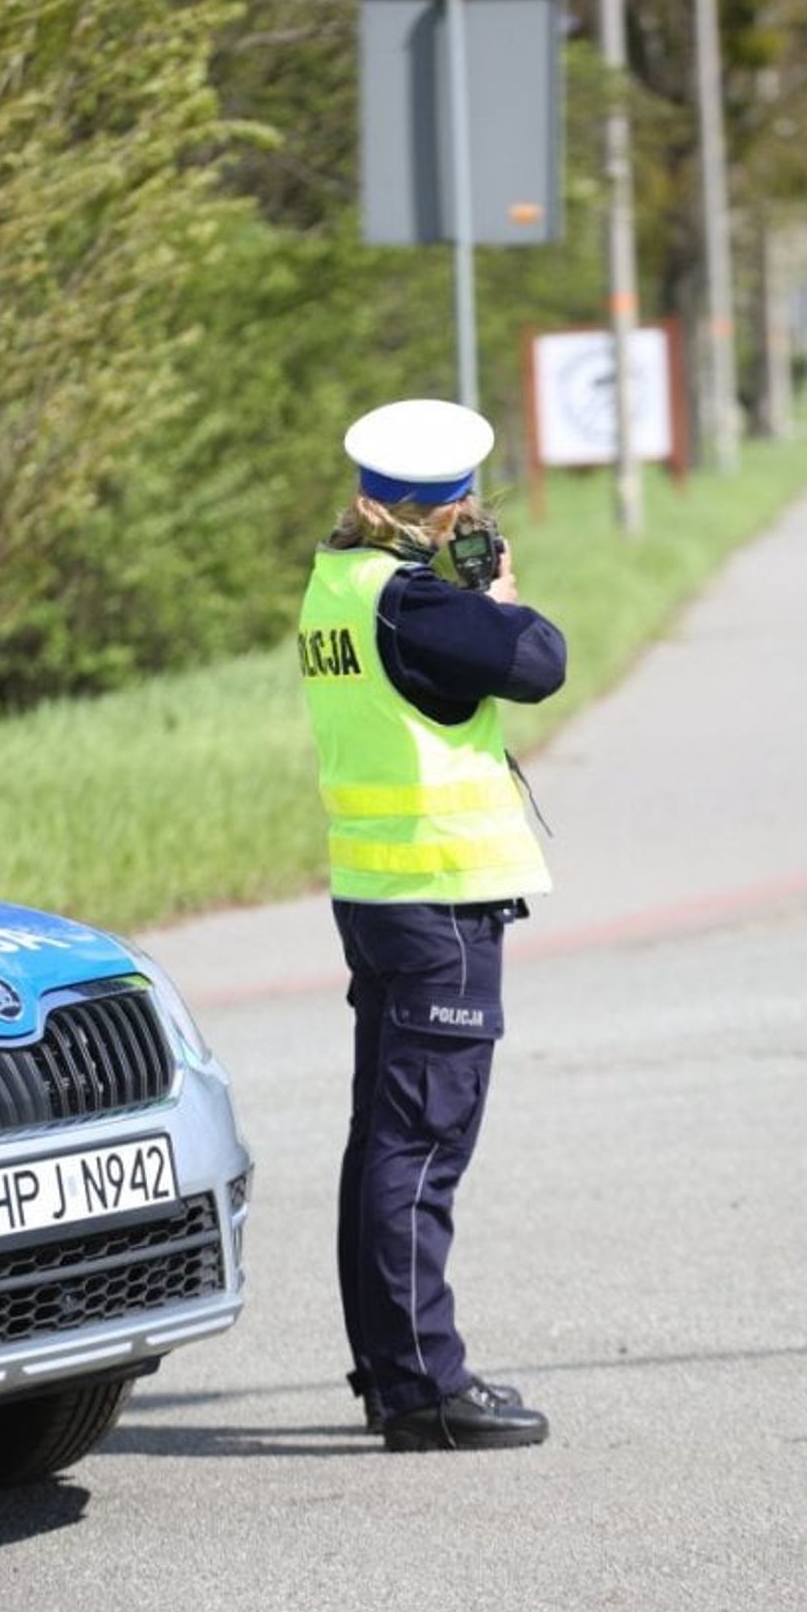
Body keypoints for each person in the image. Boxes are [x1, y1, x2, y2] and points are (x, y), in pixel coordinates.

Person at [298, 397, 566, 1452]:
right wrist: (500, 592)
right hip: (441, 906)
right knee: (419, 1148)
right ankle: (424, 1389)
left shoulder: (337, 584)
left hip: (377, 897)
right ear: (451, 508)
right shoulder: (418, 606)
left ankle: (391, 1365)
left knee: (383, 1141)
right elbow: (538, 661)